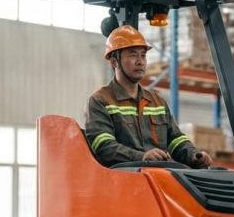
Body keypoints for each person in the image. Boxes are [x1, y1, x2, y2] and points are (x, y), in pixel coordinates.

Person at [85, 25, 213, 168]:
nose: (140, 61)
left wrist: (194, 155)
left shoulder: (157, 102)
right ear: (114, 62)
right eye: (133, 55)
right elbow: (103, 146)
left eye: (143, 55)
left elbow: (175, 139)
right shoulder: (101, 101)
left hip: (157, 178)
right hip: (123, 180)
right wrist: (142, 157)